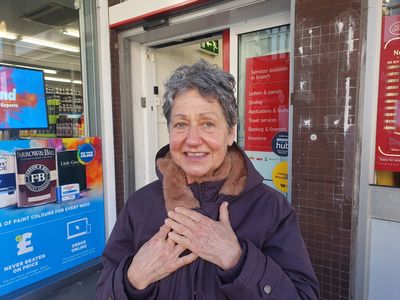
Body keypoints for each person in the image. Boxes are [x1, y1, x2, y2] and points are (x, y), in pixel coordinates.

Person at [96, 60, 319, 300]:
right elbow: (103, 293)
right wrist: (133, 279)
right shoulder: (140, 205)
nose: (192, 140)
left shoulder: (271, 208)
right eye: (181, 124)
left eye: (208, 124)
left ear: (231, 132)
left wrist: (237, 260)